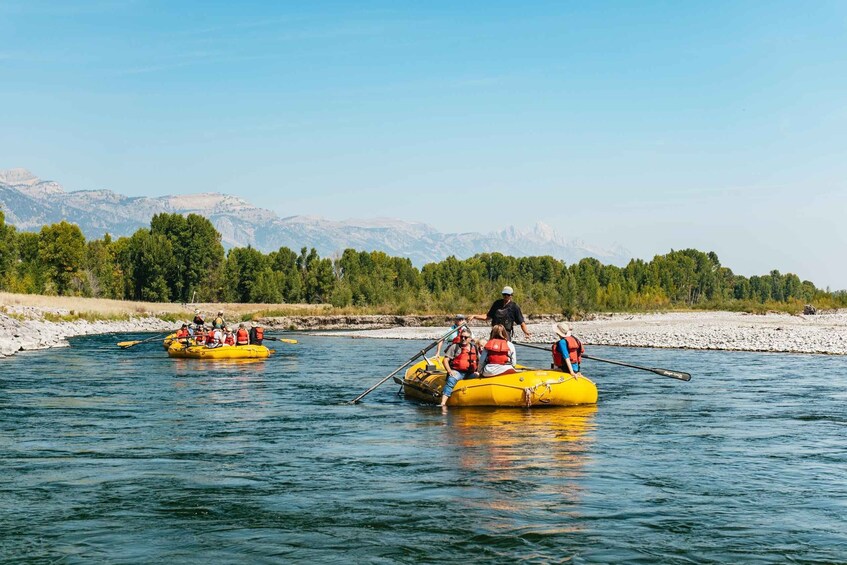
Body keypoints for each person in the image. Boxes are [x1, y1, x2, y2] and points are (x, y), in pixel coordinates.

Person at [440, 327, 479, 407]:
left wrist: (478, 370)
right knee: (451, 380)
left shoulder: (474, 347)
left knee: (480, 376)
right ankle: (443, 403)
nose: (463, 338)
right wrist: (449, 371)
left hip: (470, 373)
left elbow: (478, 360)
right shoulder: (454, 347)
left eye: (466, 337)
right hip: (457, 372)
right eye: (462, 337)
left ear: (470, 338)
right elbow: (445, 360)